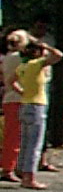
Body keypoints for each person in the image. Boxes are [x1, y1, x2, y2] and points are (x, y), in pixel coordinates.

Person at [14, 36, 63, 189]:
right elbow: (59, 55)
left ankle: (21, 169)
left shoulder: (22, 66)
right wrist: (47, 47)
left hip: (25, 104)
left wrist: (22, 91)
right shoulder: (37, 64)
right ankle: (29, 177)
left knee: (25, 141)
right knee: (35, 144)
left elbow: (11, 81)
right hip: (37, 105)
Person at [0, 30, 27, 182]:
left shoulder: (6, 58)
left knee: (11, 134)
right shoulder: (19, 58)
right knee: (16, 135)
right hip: (18, 97)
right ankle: (9, 167)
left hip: (8, 97)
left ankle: (9, 165)